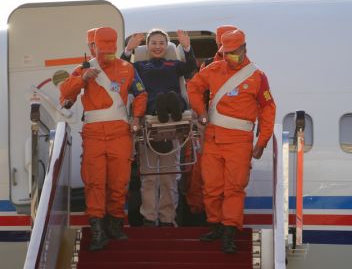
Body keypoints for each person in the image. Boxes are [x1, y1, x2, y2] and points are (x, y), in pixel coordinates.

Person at [187, 29, 276, 253]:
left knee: (234, 188)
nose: (230, 57)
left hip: (240, 142)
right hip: (214, 138)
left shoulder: (257, 76)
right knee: (212, 187)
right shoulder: (213, 69)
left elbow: (268, 108)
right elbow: (193, 87)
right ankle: (215, 225)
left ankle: (229, 231)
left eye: (234, 52)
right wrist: (201, 111)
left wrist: (262, 140)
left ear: (244, 49)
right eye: (226, 53)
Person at [59, 27, 148, 251]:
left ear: (115, 48)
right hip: (94, 135)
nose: (106, 57)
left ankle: (116, 224)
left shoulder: (128, 68)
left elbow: (141, 94)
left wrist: (137, 118)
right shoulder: (84, 69)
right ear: (94, 48)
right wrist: (82, 79)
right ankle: (97, 229)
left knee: (119, 182)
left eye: (110, 52)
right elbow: (65, 96)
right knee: (95, 182)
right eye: (102, 52)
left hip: (120, 133)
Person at [122, 29, 197, 227]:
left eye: (161, 43)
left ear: (167, 46)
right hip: (151, 116)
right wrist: (128, 50)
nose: (157, 46)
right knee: (149, 179)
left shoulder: (174, 64)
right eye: (153, 43)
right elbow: (121, 69)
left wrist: (187, 47)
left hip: (174, 115)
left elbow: (191, 68)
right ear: (147, 46)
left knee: (169, 178)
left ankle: (167, 218)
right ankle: (149, 217)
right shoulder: (139, 65)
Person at [185, 25, 238, 222]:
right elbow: (197, 89)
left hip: (231, 129)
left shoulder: (246, 68)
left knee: (230, 177)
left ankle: (223, 218)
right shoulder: (208, 65)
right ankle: (200, 214)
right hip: (210, 125)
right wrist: (202, 114)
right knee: (201, 173)